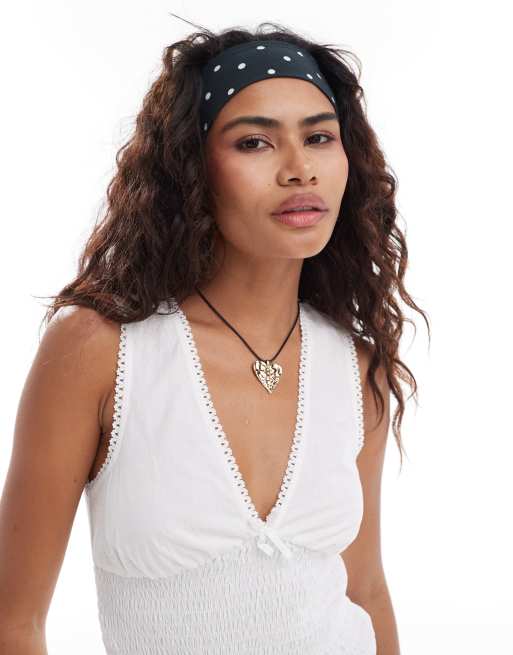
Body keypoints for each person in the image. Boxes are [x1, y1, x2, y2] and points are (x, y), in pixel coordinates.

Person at [0, 20, 429, 655]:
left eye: (319, 137)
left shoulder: (356, 367)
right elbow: (14, 622)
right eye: (255, 142)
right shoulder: (100, 351)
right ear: (192, 169)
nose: (299, 170)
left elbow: (365, 589)